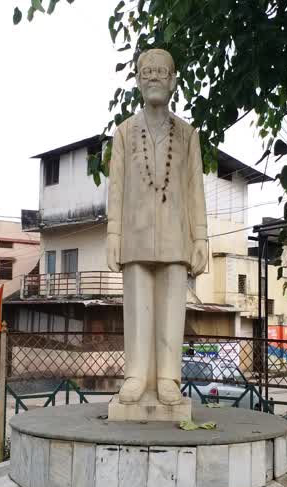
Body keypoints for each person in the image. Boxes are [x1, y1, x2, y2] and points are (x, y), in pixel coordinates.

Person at [107, 48, 208, 405]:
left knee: (171, 307)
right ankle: (136, 374)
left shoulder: (187, 134)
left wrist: (202, 238)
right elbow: (116, 187)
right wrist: (113, 234)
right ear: (136, 80)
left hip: (176, 235)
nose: (153, 77)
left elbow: (196, 189)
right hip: (134, 232)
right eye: (146, 71)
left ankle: (168, 377)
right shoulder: (122, 133)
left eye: (160, 72)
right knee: (136, 305)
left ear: (173, 80)